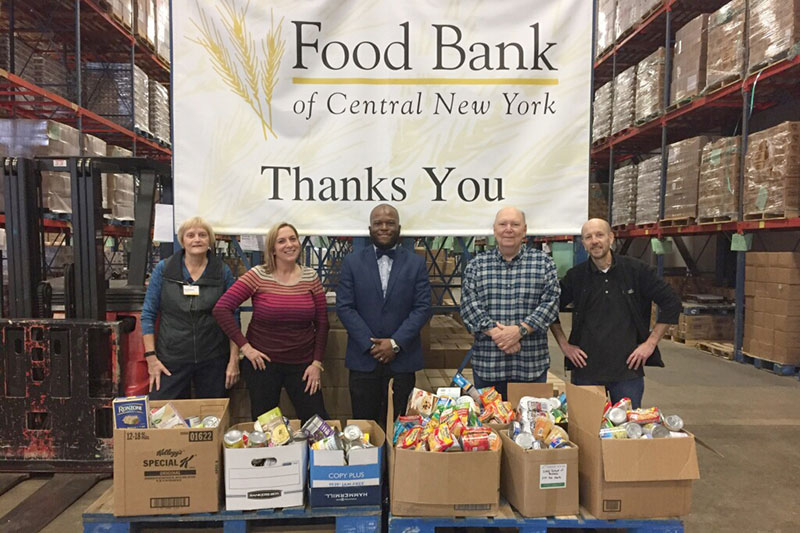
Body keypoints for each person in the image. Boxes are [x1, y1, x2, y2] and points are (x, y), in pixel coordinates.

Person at [550, 218, 681, 409]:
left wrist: (650, 344)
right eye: (588, 237)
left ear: (611, 238)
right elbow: (549, 308)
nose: (594, 241)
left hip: (628, 371)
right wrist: (564, 345)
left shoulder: (637, 271)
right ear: (584, 244)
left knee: (627, 430)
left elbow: (671, 302)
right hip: (586, 370)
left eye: (600, 235)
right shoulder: (575, 277)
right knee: (587, 430)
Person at [213, 222, 328, 422]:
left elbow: (322, 323)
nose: (289, 245)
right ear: (272, 248)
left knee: (317, 424)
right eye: (281, 241)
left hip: (303, 364)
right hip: (262, 364)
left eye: (293, 239)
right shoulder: (258, 275)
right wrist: (246, 348)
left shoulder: (311, 277)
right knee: (266, 426)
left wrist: (317, 363)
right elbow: (221, 309)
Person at [336, 204, 431, 425]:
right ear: (370, 228)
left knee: (402, 426)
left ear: (399, 227)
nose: (384, 227)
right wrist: (372, 346)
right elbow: (345, 307)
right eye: (378, 223)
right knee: (365, 427)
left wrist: (395, 343)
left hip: (403, 360)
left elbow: (423, 308)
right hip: (363, 359)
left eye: (390, 223)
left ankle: (397, 461)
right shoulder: (352, 262)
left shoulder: (416, 263)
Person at [460, 206, 560, 400]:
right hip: (488, 366)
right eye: (503, 224)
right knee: (489, 426)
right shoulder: (477, 265)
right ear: (494, 229)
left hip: (530, 367)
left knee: (530, 428)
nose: (508, 229)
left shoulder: (544, 263)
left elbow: (551, 304)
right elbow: (468, 305)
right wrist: (499, 334)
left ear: (524, 230)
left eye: (515, 224)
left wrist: (519, 331)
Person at [141, 216, 239, 399]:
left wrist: (233, 360)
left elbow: (233, 317)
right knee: (166, 417)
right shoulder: (164, 270)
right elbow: (148, 314)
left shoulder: (221, 271)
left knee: (213, 417)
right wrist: (151, 357)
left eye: (202, 235)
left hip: (213, 358)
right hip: (171, 359)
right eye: (191, 235)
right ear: (182, 240)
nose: (197, 239)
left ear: (209, 240)